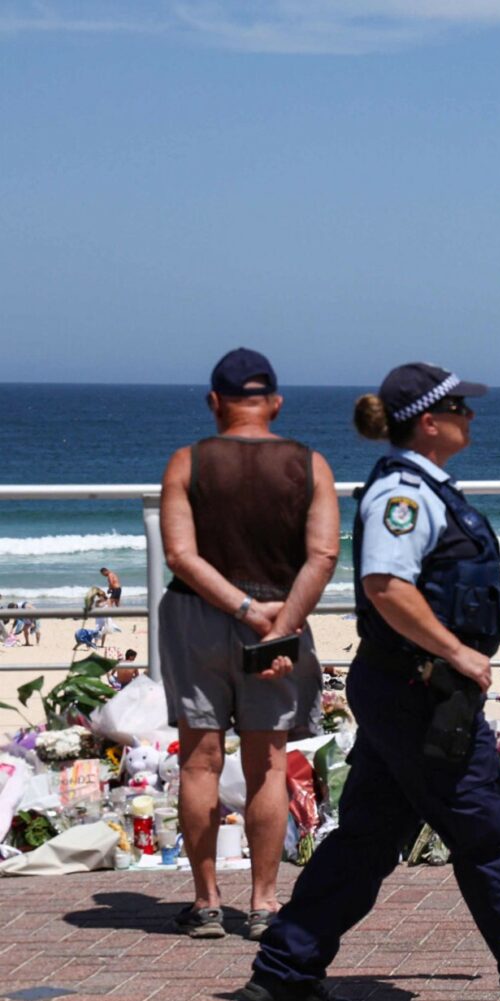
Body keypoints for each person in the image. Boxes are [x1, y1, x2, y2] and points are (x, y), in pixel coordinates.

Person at [247, 362, 500, 1001]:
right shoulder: (405, 496)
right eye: (460, 409)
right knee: (487, 837)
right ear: (429, 423)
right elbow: (388, 587)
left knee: (367, 838)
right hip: (420, 694)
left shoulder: (428, 490)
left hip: (407, 690)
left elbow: (450, 583)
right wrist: (456, 652)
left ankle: (286, 967)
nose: (471, 418)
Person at [158, 349, 338, 943]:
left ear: (215, 401)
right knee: (267, 763)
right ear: (276, 403)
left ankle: (207, 902)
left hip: (197, 615)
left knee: (199, 761)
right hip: (281, 619)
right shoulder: (310, 464)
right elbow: (323, 555)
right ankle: (263, 903)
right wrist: (278, 622)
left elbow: (180, 555)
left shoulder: (187, 462)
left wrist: (241, 608)